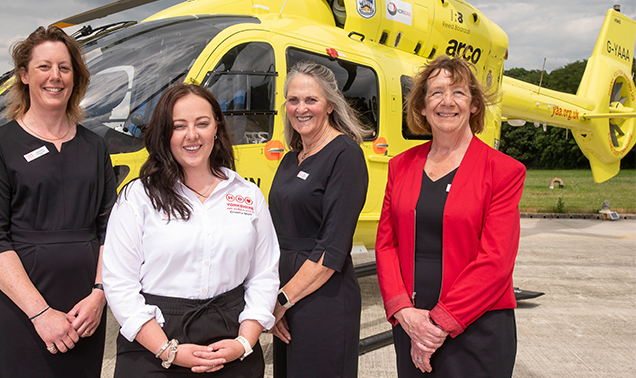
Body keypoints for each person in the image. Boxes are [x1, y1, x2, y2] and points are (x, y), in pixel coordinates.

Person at [102, 83, 280, 377]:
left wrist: (245, 342)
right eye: (179, 126)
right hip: (154, 342)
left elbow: (264, 275)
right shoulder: (138, 198)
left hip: (231, 341)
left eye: (202, 123)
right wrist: (166, 349)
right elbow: (119, 283)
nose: (192, 135)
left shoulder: (248, 195)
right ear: (164, 134)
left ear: (216, 128)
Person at [0, 25, 117, 377]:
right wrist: (40, 313)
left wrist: (99, 295)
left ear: (75, 78)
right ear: (24, 75)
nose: (55, 77)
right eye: (44, 67)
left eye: (64, 68)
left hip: (84, 314)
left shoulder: (95, 147)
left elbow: (110, 231)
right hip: (22, 314)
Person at [375, 56, 526, 377]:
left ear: (474, 105)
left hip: (476, 330)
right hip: (411, 326)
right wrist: (404, 312)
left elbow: (496, 261)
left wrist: (438, 324)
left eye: (458, 93)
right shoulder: (400, 167)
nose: (447, 102)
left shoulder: (503, 171)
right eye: (436, 93)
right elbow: (386, 245)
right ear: (422, 107)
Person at [269, 61, 370, 378]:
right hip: (286, 296)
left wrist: (282, 300)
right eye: (293, 100)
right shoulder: (290, 159)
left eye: (311, 100)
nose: (301, 108)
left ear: (329, 105)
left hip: (322, 300)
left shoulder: (345, 154)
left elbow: (332, 249)